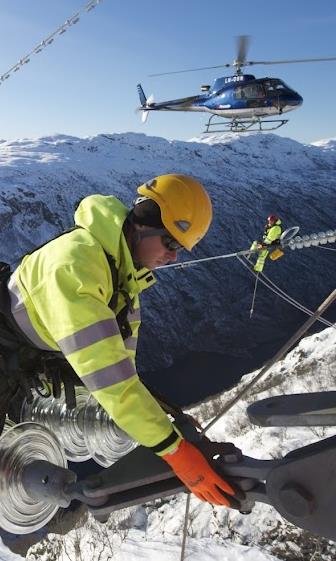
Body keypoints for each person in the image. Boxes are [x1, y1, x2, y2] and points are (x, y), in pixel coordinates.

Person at [0, 173, 241, 509]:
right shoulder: (75, 268)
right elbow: (115, 386)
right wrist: (175, 450)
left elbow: (122, 369)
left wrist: (166, 414)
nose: (173, 258)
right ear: (142, 225)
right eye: (171, 244)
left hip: (28, 352)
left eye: (180, 249)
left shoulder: (124, 278)